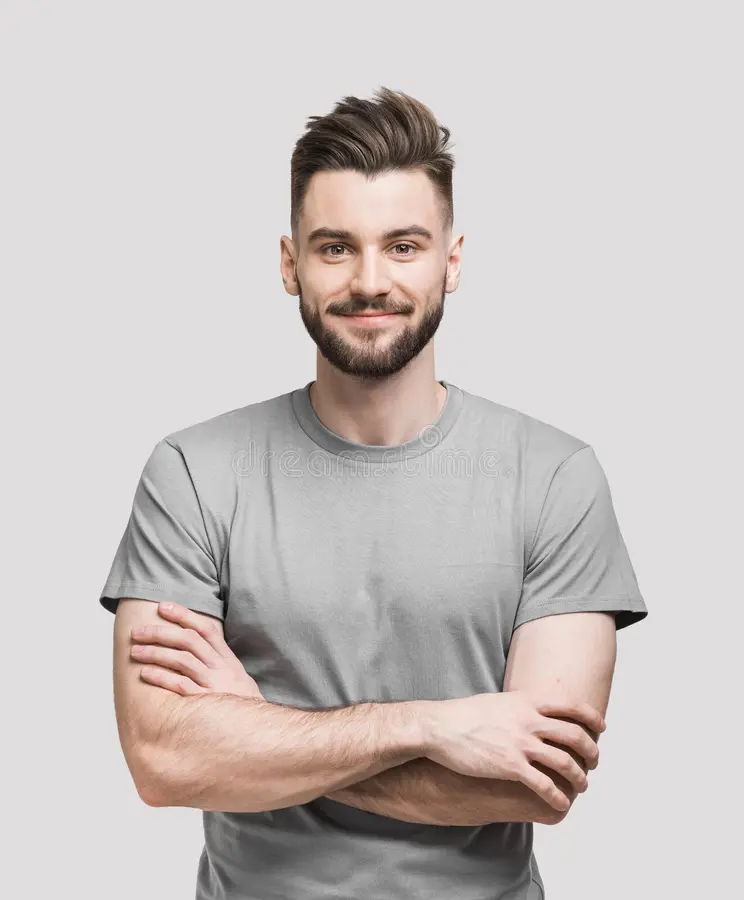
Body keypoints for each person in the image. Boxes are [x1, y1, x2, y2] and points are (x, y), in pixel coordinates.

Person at [99, 86, 648, 900]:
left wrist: (256, 729)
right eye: (333, 247)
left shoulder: (555, 477)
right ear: (289, 264)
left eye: (402, 246)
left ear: (450, 262)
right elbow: (164, 761)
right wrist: (431, 726)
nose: (368, 280)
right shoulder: (193, 472)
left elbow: (535, 786)